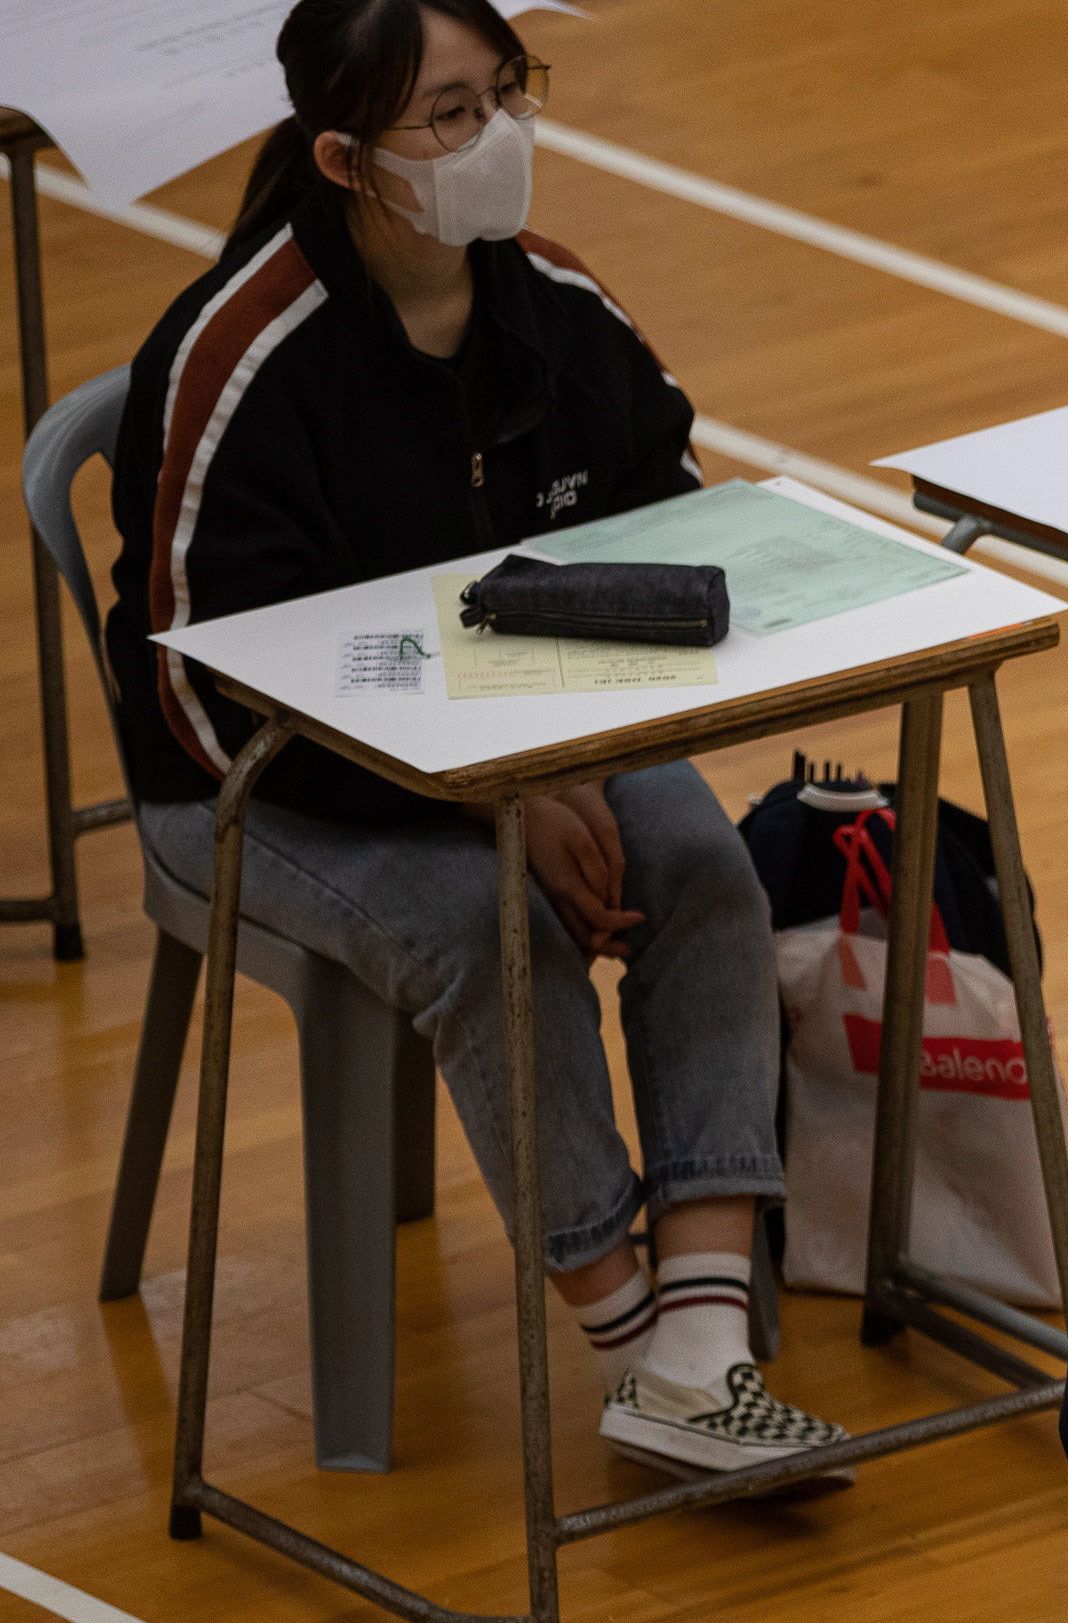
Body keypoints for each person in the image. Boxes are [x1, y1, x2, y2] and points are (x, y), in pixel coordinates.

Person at [104, 0, 840, 1477]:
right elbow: (205, 692)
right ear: (342, 155)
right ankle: (629, 1335)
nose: (494, 137)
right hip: (274, 785)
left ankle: (705, 1336)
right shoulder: (242, 360)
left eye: (505, 93)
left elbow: (680, 540)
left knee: (699, 861)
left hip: (535, 731)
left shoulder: (553, 304)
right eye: (448, 114)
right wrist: (485, 806)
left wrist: (564, 762)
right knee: (485, 922)